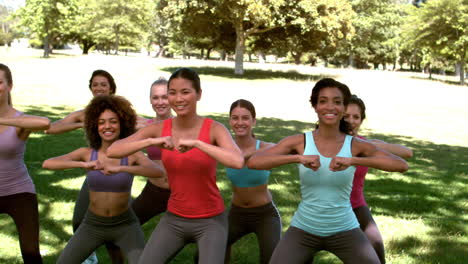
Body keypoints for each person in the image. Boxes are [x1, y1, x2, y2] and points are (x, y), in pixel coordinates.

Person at [247, 78, 408, 264]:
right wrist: (297, 158)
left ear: (344, 107)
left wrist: (352, 160)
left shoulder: (355, 145)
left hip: (344, 228)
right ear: (315, 106)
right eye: (323, 101)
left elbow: (401, 164)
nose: (330, 107)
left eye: (337, 102)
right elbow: (254, 161)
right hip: (304, 228)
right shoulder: (300, 142)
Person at [107, 67, 244, 264]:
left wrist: (198, 144)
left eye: (185, 92)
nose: (178, 99)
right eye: (172, 92)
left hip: (210, 220)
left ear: (198, 94)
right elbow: (113, 150)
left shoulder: (214, 129)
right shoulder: (159, 129)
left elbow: (237, 161)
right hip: (175, 219)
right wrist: (150, 142)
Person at [42, 95, 165, 264]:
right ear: (95, 126)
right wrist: (83, 165)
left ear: (122, 124)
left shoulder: (131, 155)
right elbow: (48, 164)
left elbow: (157, 171)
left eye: (113, 121)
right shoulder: (87, 153)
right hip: (93, 225)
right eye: (101, 122)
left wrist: (122, 168)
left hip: (125, 225)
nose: (107, 126)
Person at [45, 69, 120, 263]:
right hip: (95, 173)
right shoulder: (85, 114)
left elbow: (140, 127)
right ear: (91, 88)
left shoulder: (121, 112)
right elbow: (51, 129)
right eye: (95, 84)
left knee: (115, 229)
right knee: (79, 220)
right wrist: (82, 124)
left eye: (103, 84)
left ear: (111, 88)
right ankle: (90, 256)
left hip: (119, 175)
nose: (99, 88)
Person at [344, 94, 413, 264]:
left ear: (361, 120)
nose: (351, 121)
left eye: (356, 117)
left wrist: (367, 145)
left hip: (356, 205)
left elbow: (407, 152)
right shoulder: (328, 142)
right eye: (346, 116)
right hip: (327, 208)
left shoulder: (368, 144)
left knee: (375, 245)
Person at [0, 63, 50, 264]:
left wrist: (4, 120)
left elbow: (44, 123)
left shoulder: (20, 121)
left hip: (18, 191)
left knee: (30, 253)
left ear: (9, 86)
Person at [224, 99, 281, 264]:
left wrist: (248, 154)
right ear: (230, 121)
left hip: (265, 214)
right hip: (236, 213)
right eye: (235, 118)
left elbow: (283, 147)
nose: (240, 122)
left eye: (245, 118)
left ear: (253, 121)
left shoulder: (265, 147)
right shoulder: (225, 148)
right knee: (206, 253)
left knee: (271, 259)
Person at [131, 78, 172, 225]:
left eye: (165, 97)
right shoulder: (145, 126)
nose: (160, 102)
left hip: (179, 193)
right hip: (153, 191)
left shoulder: (183, 125)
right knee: (126, 225)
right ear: (150, 100)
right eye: (155, 97)